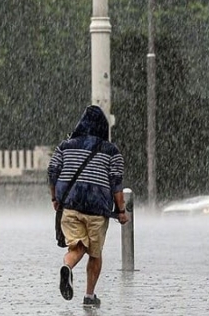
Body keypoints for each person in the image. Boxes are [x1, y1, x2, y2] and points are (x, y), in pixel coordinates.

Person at [48, 105, 129, 308]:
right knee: (95, 253)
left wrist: (55, 198)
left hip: (71, 206)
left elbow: (52, 172)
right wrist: (121, 211)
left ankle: (67, 266)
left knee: (77, 246)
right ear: (104, 127)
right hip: (97, 209)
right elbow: (116, 184)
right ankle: (89, 296)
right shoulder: (111, 151)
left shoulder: (65, 146)